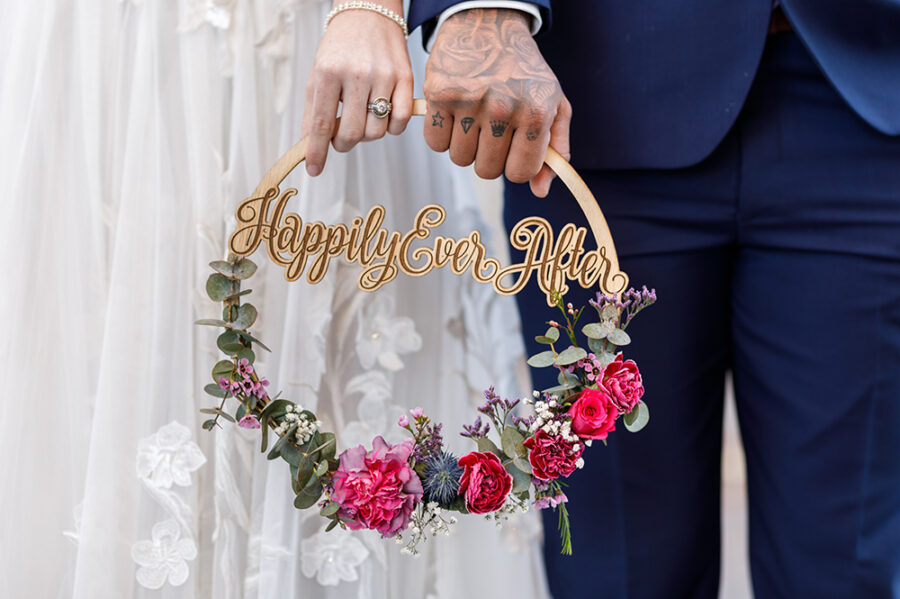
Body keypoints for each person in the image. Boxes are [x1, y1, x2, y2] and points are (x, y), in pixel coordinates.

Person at [305, 1, 900, 597]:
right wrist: (483, 9)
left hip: (865, 96)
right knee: (618, 569)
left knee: (847, 568)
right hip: (598, 100)